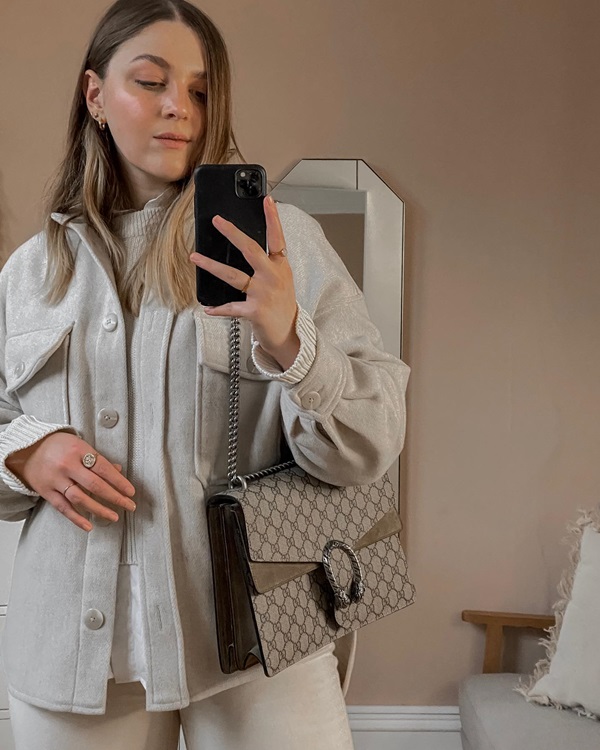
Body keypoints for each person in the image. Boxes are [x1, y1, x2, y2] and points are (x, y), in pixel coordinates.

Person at [0, 1, 410, 748]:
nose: (177, 109)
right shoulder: (31, 274)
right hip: (73, 653)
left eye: (198, 90)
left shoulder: (283, 248)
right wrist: (25, 450)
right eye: (151, 82)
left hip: (261, 641)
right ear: (94, 96)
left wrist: (291, 341)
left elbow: (371, 441)